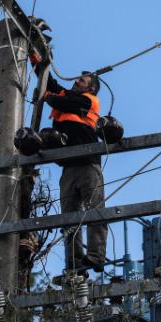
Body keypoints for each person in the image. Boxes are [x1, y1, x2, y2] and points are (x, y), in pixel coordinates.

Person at [31, 54, 107, 273]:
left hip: (87, 163)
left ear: (90, 88)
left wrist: (48, 96)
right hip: (68, 167)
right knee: (70, 218)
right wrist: (38, 60)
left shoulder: (89, 100)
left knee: (95, 210)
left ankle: (95, 255)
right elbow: (51, 84)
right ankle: (74, 264)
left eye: (82, 80)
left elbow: (61, 100)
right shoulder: (69, 94)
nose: (76, 81)